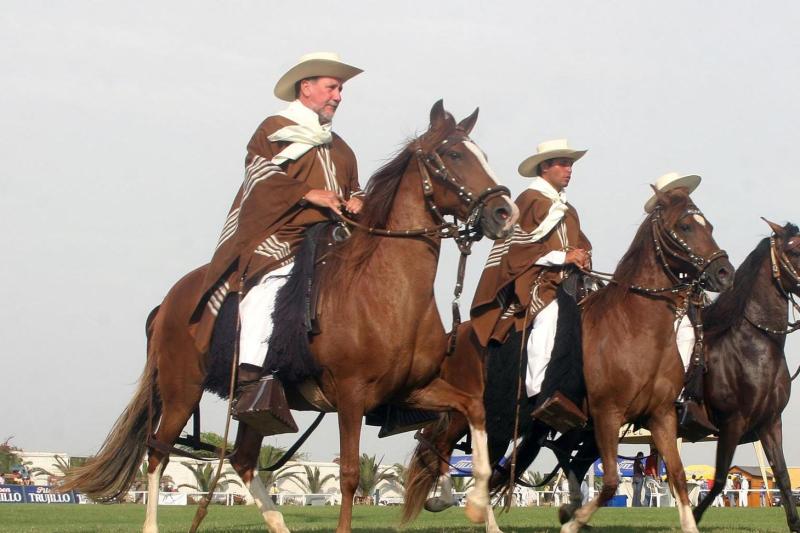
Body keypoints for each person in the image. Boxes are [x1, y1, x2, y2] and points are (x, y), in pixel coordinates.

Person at [190, 52, 364, 430]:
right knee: (270, 285)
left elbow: (356, 188)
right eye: (332, 87)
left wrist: (358, 200)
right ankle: (250, 377)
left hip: (333, 241)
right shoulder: (274, 128)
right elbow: (258, 176)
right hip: (283, 235)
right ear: (307, 87)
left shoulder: (342, 148)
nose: (338, 96)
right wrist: (306, 193)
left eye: (340, 90)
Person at [471, 139, 591, 430]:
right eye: (563, 164)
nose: (569, 170)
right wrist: (563, 256)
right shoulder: (529, 199)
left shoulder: (568, 209)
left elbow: (579, 243)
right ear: (545, 167)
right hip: (537, 281)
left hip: (569, 281)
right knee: (549, 316)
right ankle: (540, 392)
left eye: (570, 164)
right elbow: (517, 248)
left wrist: (582, 255)